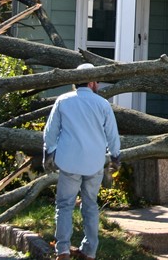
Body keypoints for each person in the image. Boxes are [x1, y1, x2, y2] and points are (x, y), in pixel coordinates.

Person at [43, 63, 121, 260]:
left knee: (64, 205)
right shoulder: (102, 104)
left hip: (68, 161)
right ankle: (90, 251)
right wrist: (115, 156)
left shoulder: (63, 101)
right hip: (94, 162)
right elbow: (112, 134)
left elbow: (50, 131)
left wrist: (48, 153)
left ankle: (62, 250)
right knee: (90, 206)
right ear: (92, 82)